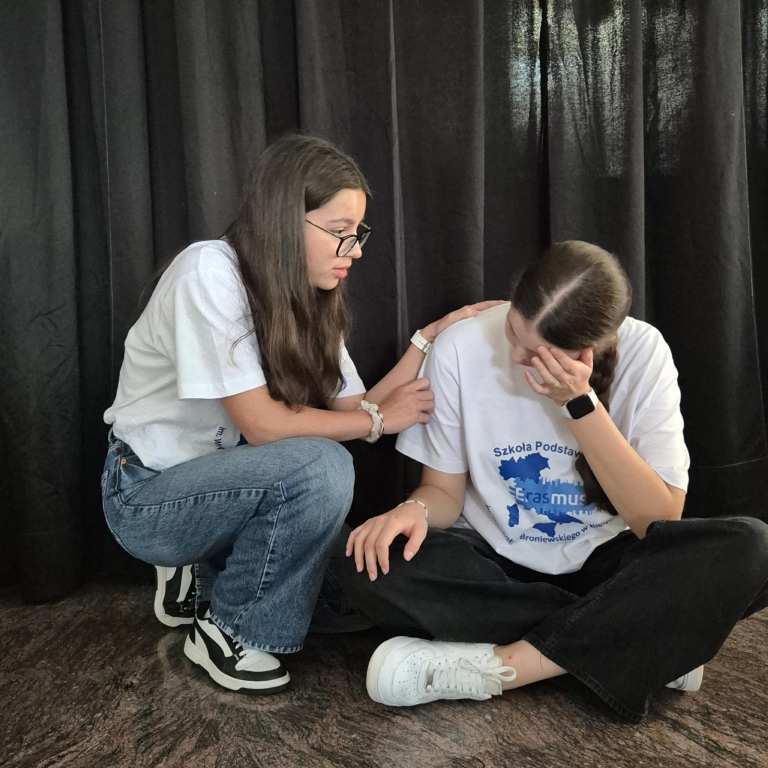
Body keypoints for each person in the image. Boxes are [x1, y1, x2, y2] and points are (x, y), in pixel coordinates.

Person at [101, 133, 500, 694]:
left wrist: (428, 338)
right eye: (341, 232)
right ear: (285, 221)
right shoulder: (208, 272)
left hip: (228, 479)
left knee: (351, 585)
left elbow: (354, 406)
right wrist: (377, 423)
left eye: (358, 233)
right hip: (145, 492)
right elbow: (265, 424)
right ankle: (228, 630)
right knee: (322, 466)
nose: (355, 251)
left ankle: (205, 572)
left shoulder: (307, 296)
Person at [341, 240, 768, 721]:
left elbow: (657, 520)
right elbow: (442, 492)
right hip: (495, 562)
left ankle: (504, 667)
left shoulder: (645, 352)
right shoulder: (460, 345)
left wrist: (579, 403)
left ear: (586, 351)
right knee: (366, 565)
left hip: (606, 562)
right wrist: (413, 510)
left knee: (751, 546)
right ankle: (643, 638)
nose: (515, 354)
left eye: (536, 354)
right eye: (513, 331)